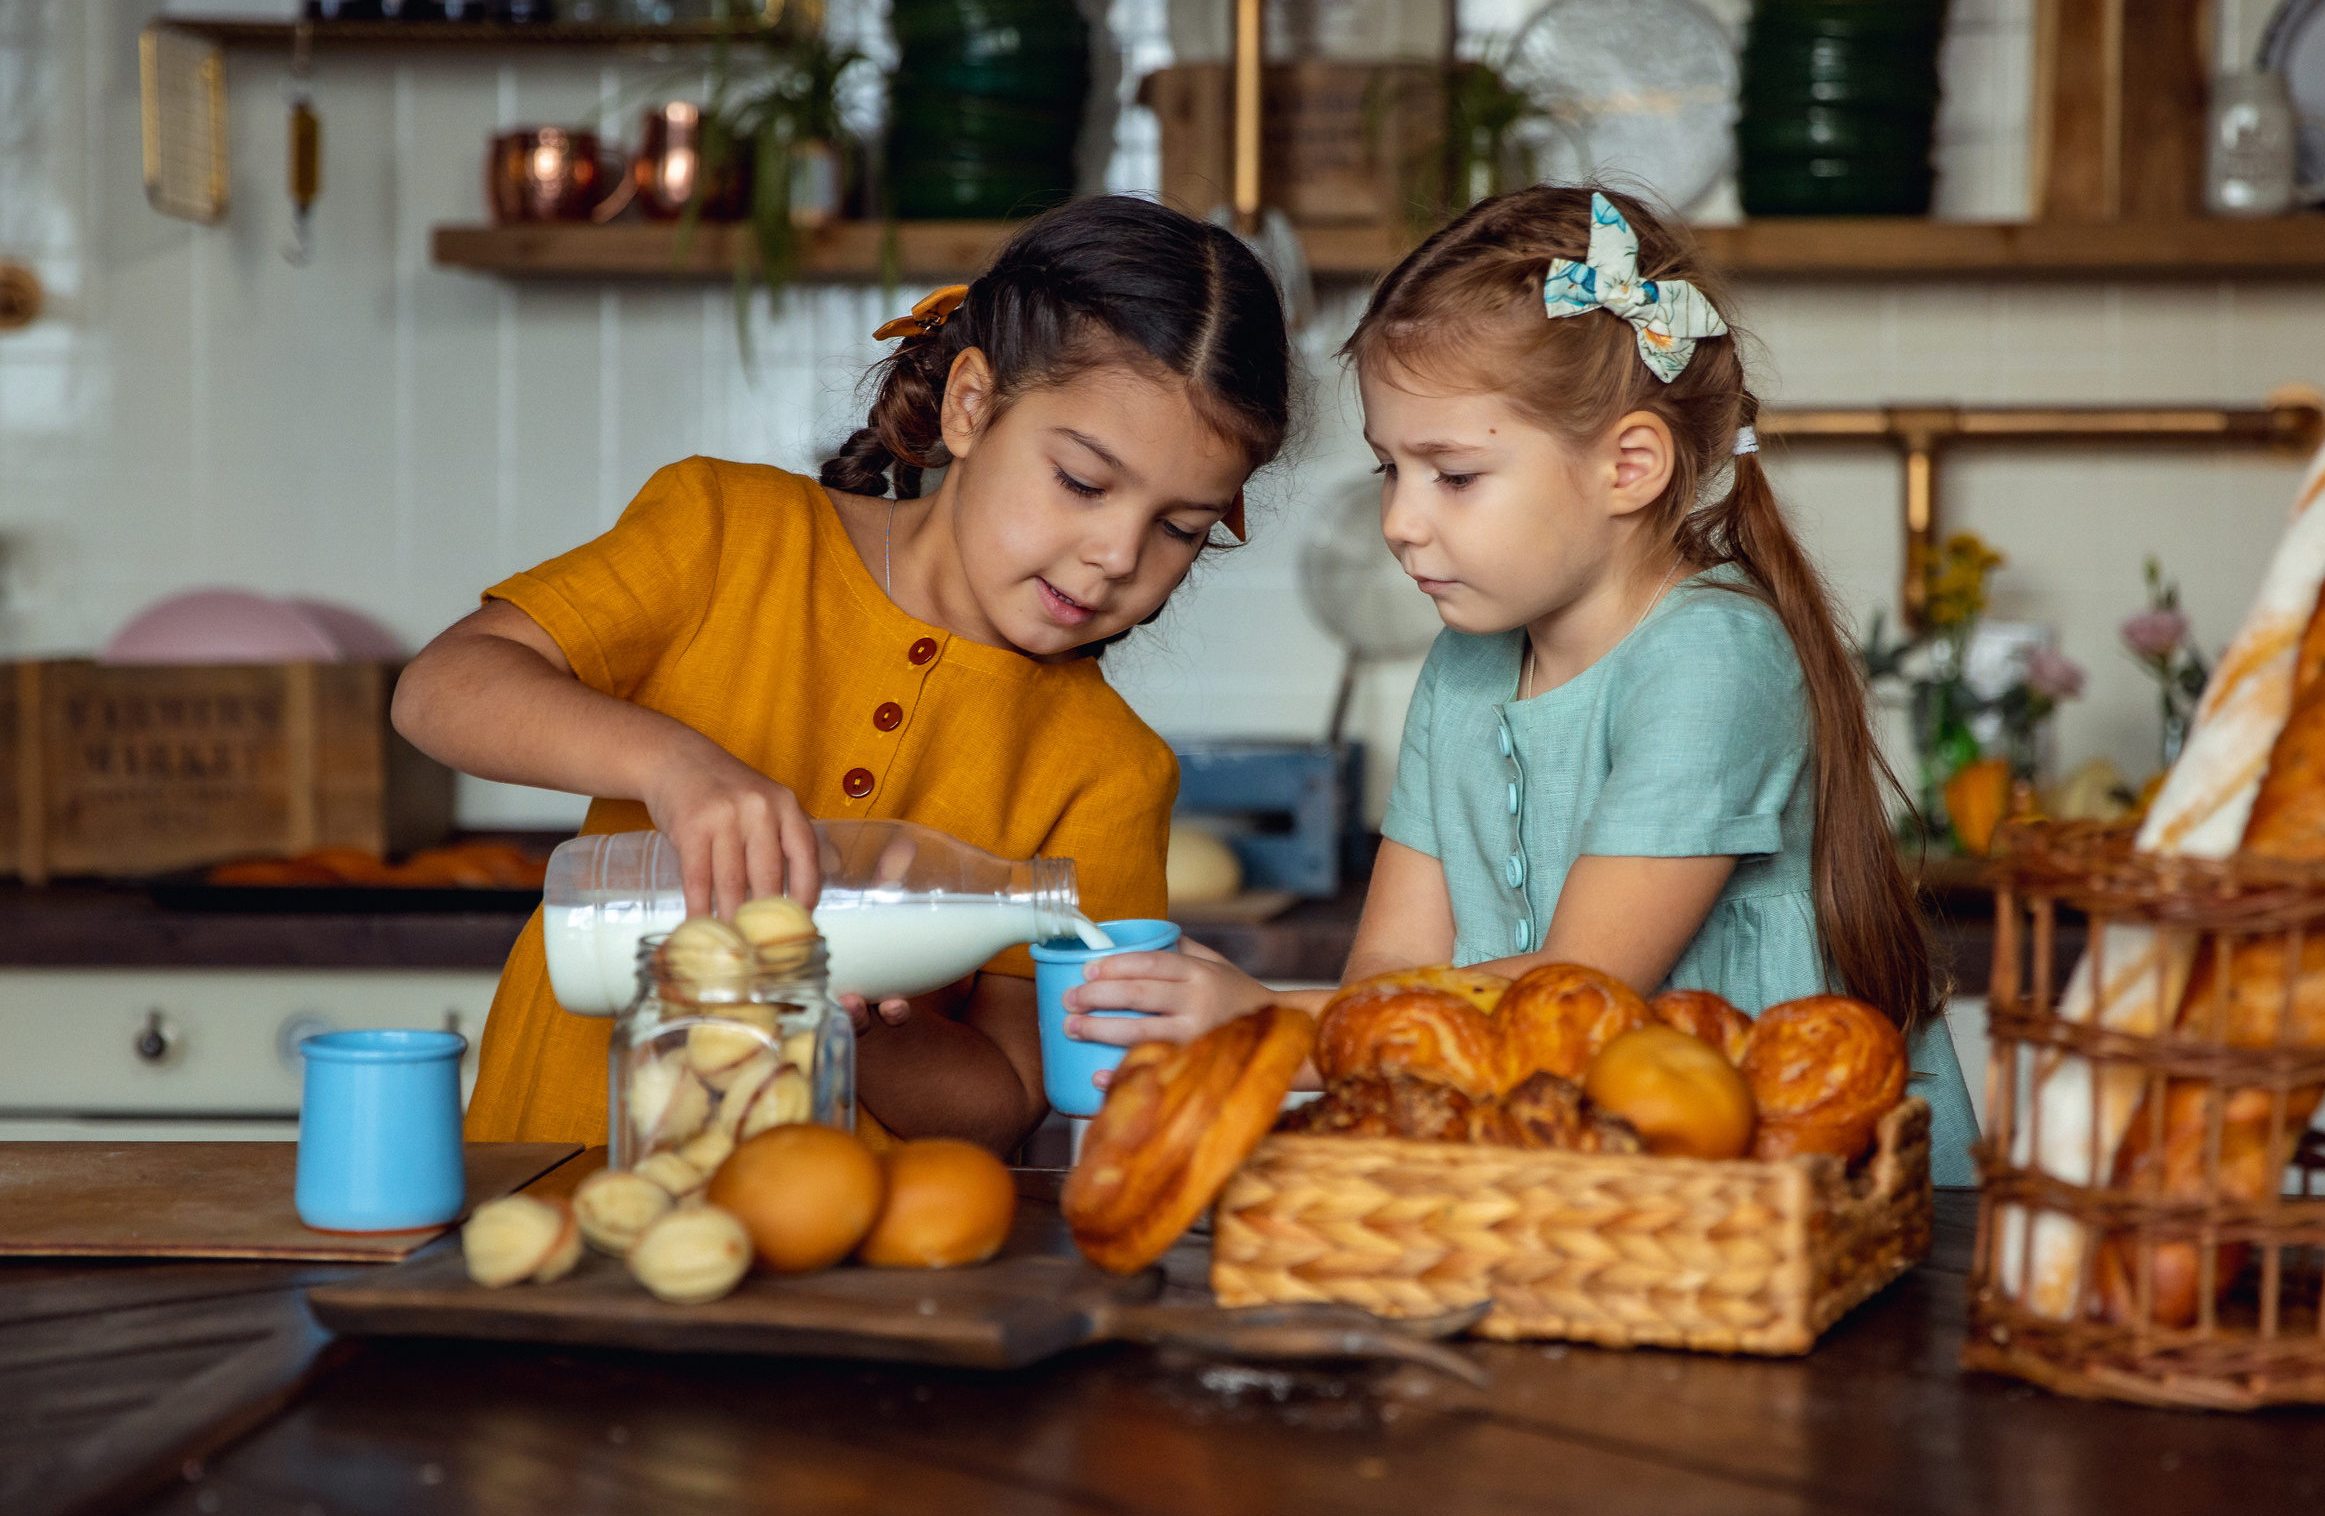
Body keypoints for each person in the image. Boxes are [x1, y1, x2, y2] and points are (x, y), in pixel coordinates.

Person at [1068, 186, 1978, 1183]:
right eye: (1389, 471)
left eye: (1452, 476)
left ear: (1628, 466)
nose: (1400, 524)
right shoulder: (1466, 663)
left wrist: (1264, 1019)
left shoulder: (1712, 660)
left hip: (1795, 1197)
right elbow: (1388, 973)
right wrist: (1283, 1045)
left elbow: (1585, 993)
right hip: (1584, 1194)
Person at [393, 195, 1296, 1156]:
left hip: (835, 1255)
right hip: (552, 1185)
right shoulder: (728, 534)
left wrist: (863, 1031)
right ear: (970, 404)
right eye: (1081, 481)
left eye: (1180, 528)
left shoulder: (1111, 771)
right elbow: (441, 688)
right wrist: (675, 767)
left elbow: (1007, 1094)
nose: (1118, 553)